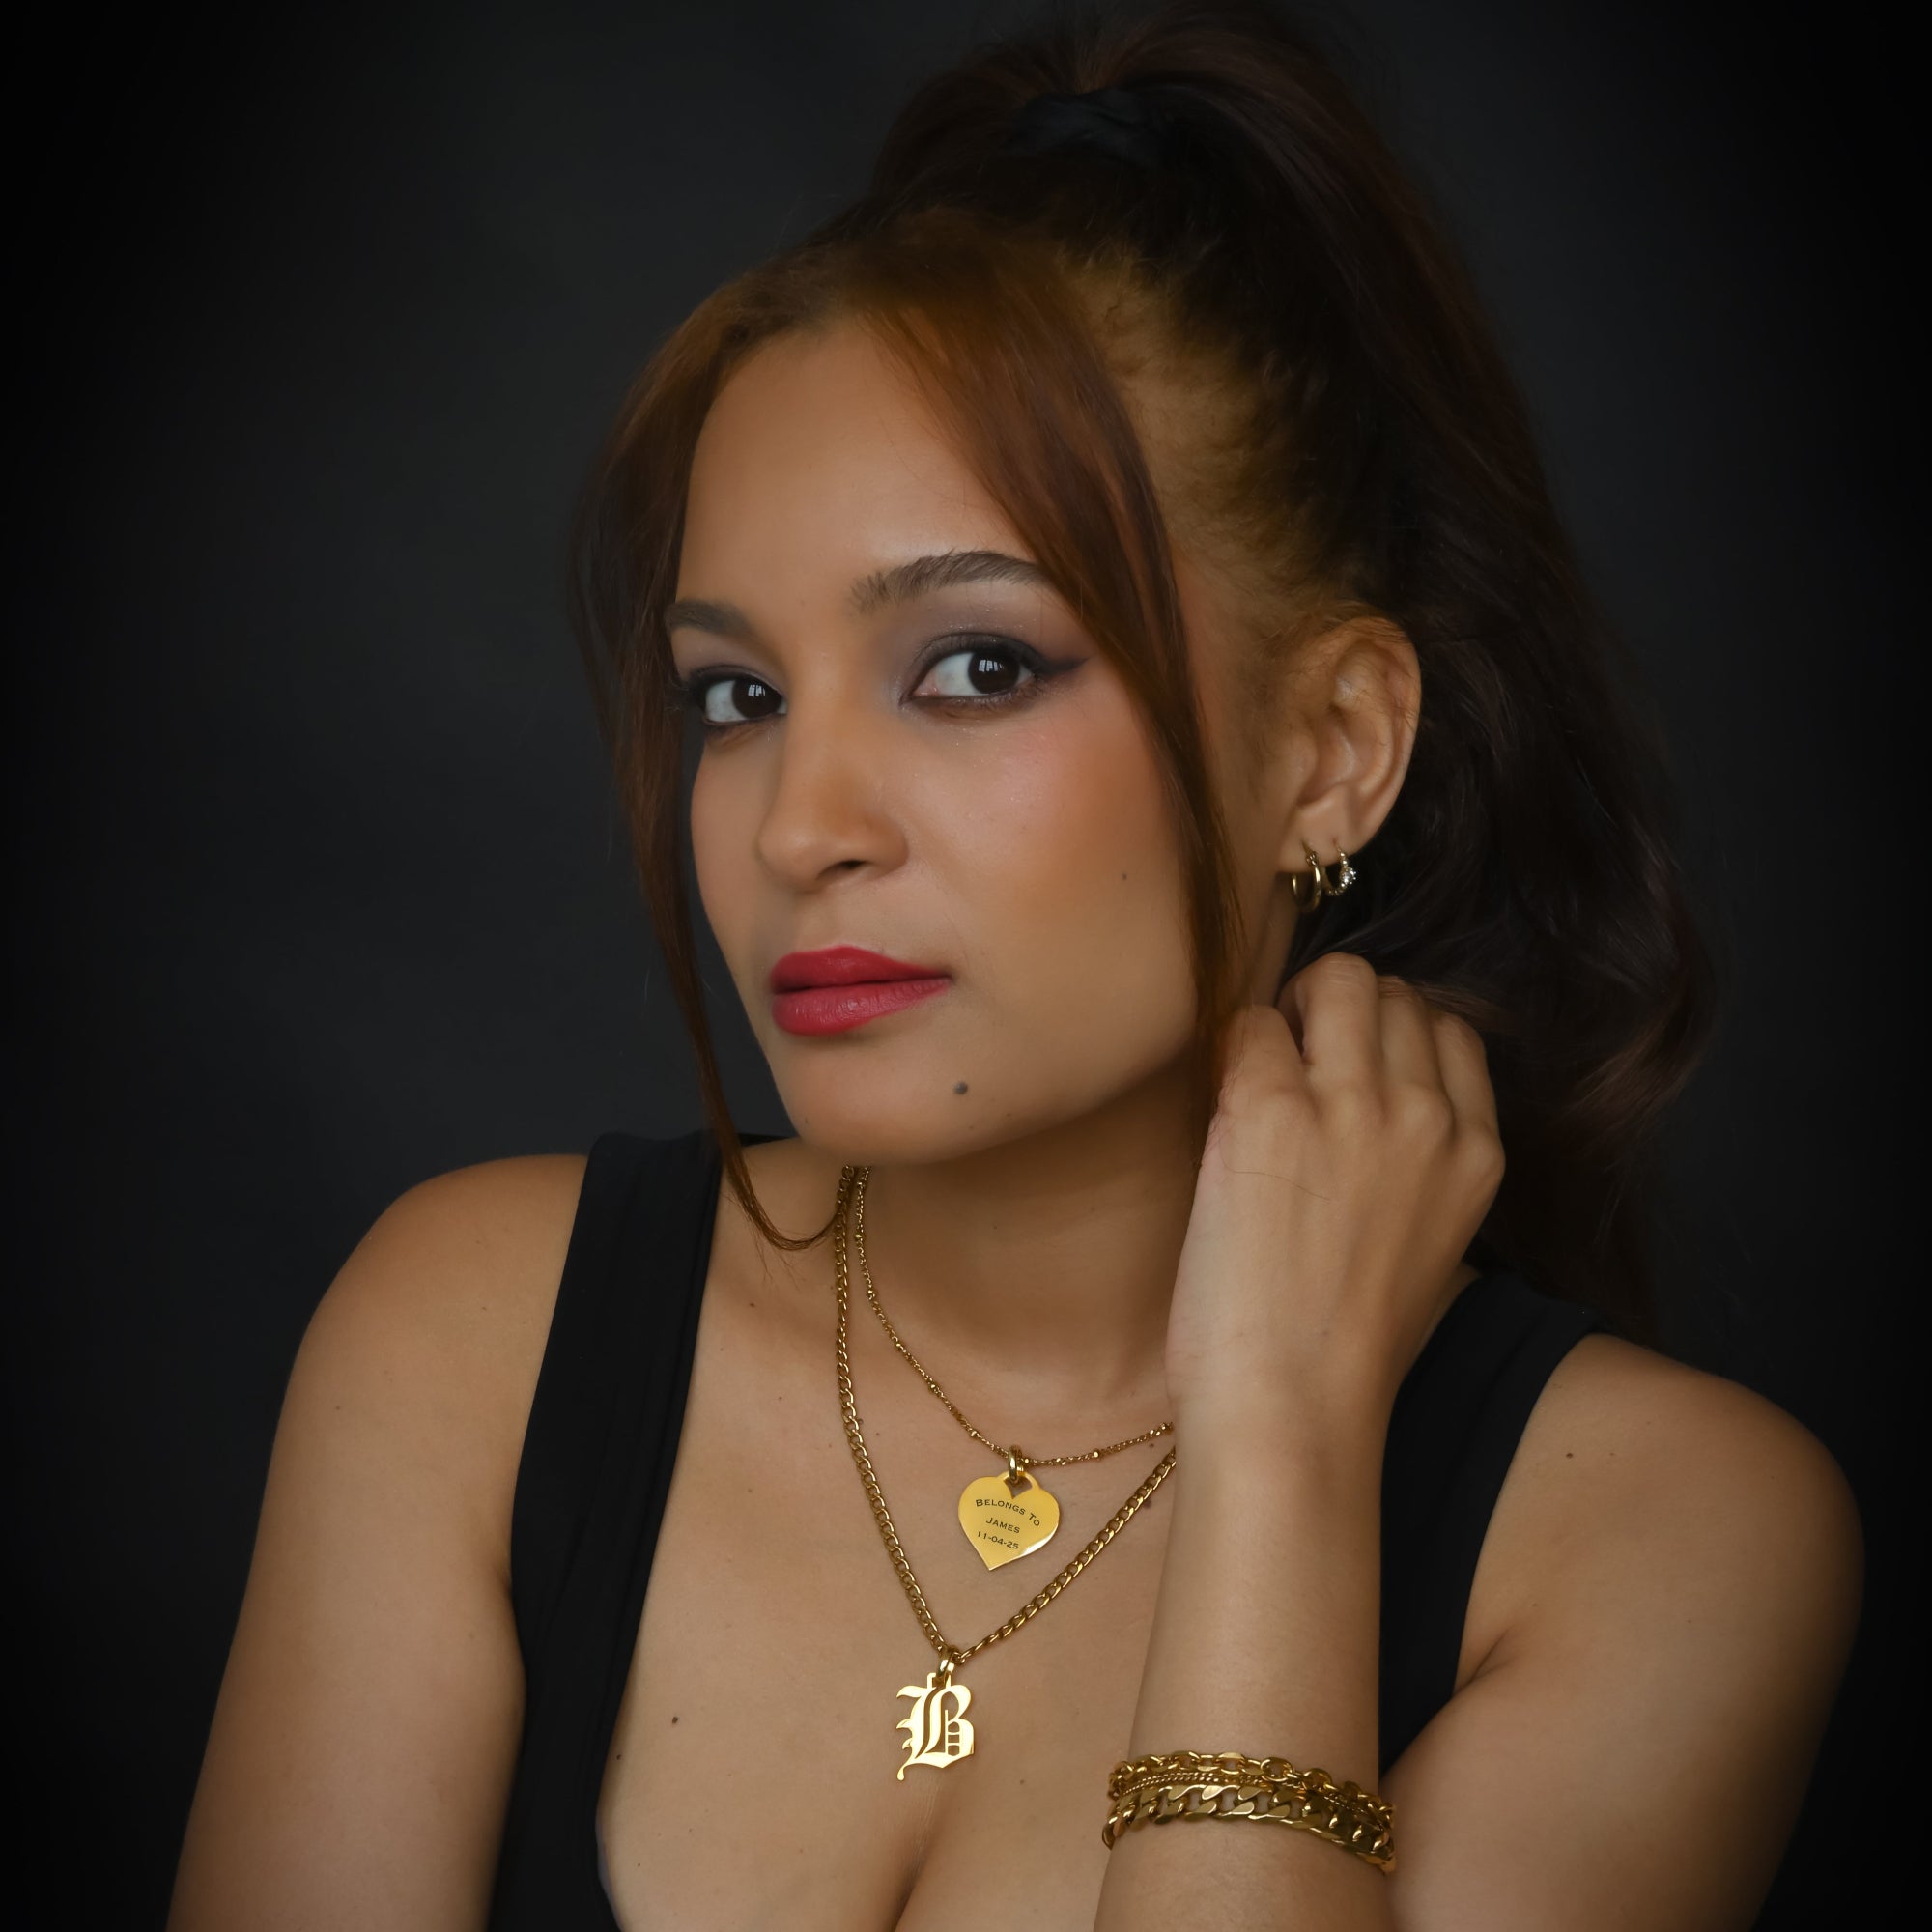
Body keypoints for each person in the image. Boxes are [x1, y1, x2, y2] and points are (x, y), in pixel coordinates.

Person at [167, 3, 1861, 1926]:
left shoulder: (1664, 1539)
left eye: (976, 664)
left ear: (1331, 750)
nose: (799, 822)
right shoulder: (468, 1341)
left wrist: (1282, 1445)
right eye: (733, 693)